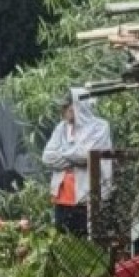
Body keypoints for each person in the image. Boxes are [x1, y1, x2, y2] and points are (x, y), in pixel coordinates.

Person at [42, 87, 112, 237]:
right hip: (62, 198)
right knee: (64, 241)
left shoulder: (99, 127)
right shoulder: (61, 128)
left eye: (66, 106)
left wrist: (63, 153)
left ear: (78, 106)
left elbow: (84, 155)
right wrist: (74, 156)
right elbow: (47, 157)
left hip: (87, 197)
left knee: (88, 241)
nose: (63, 110)